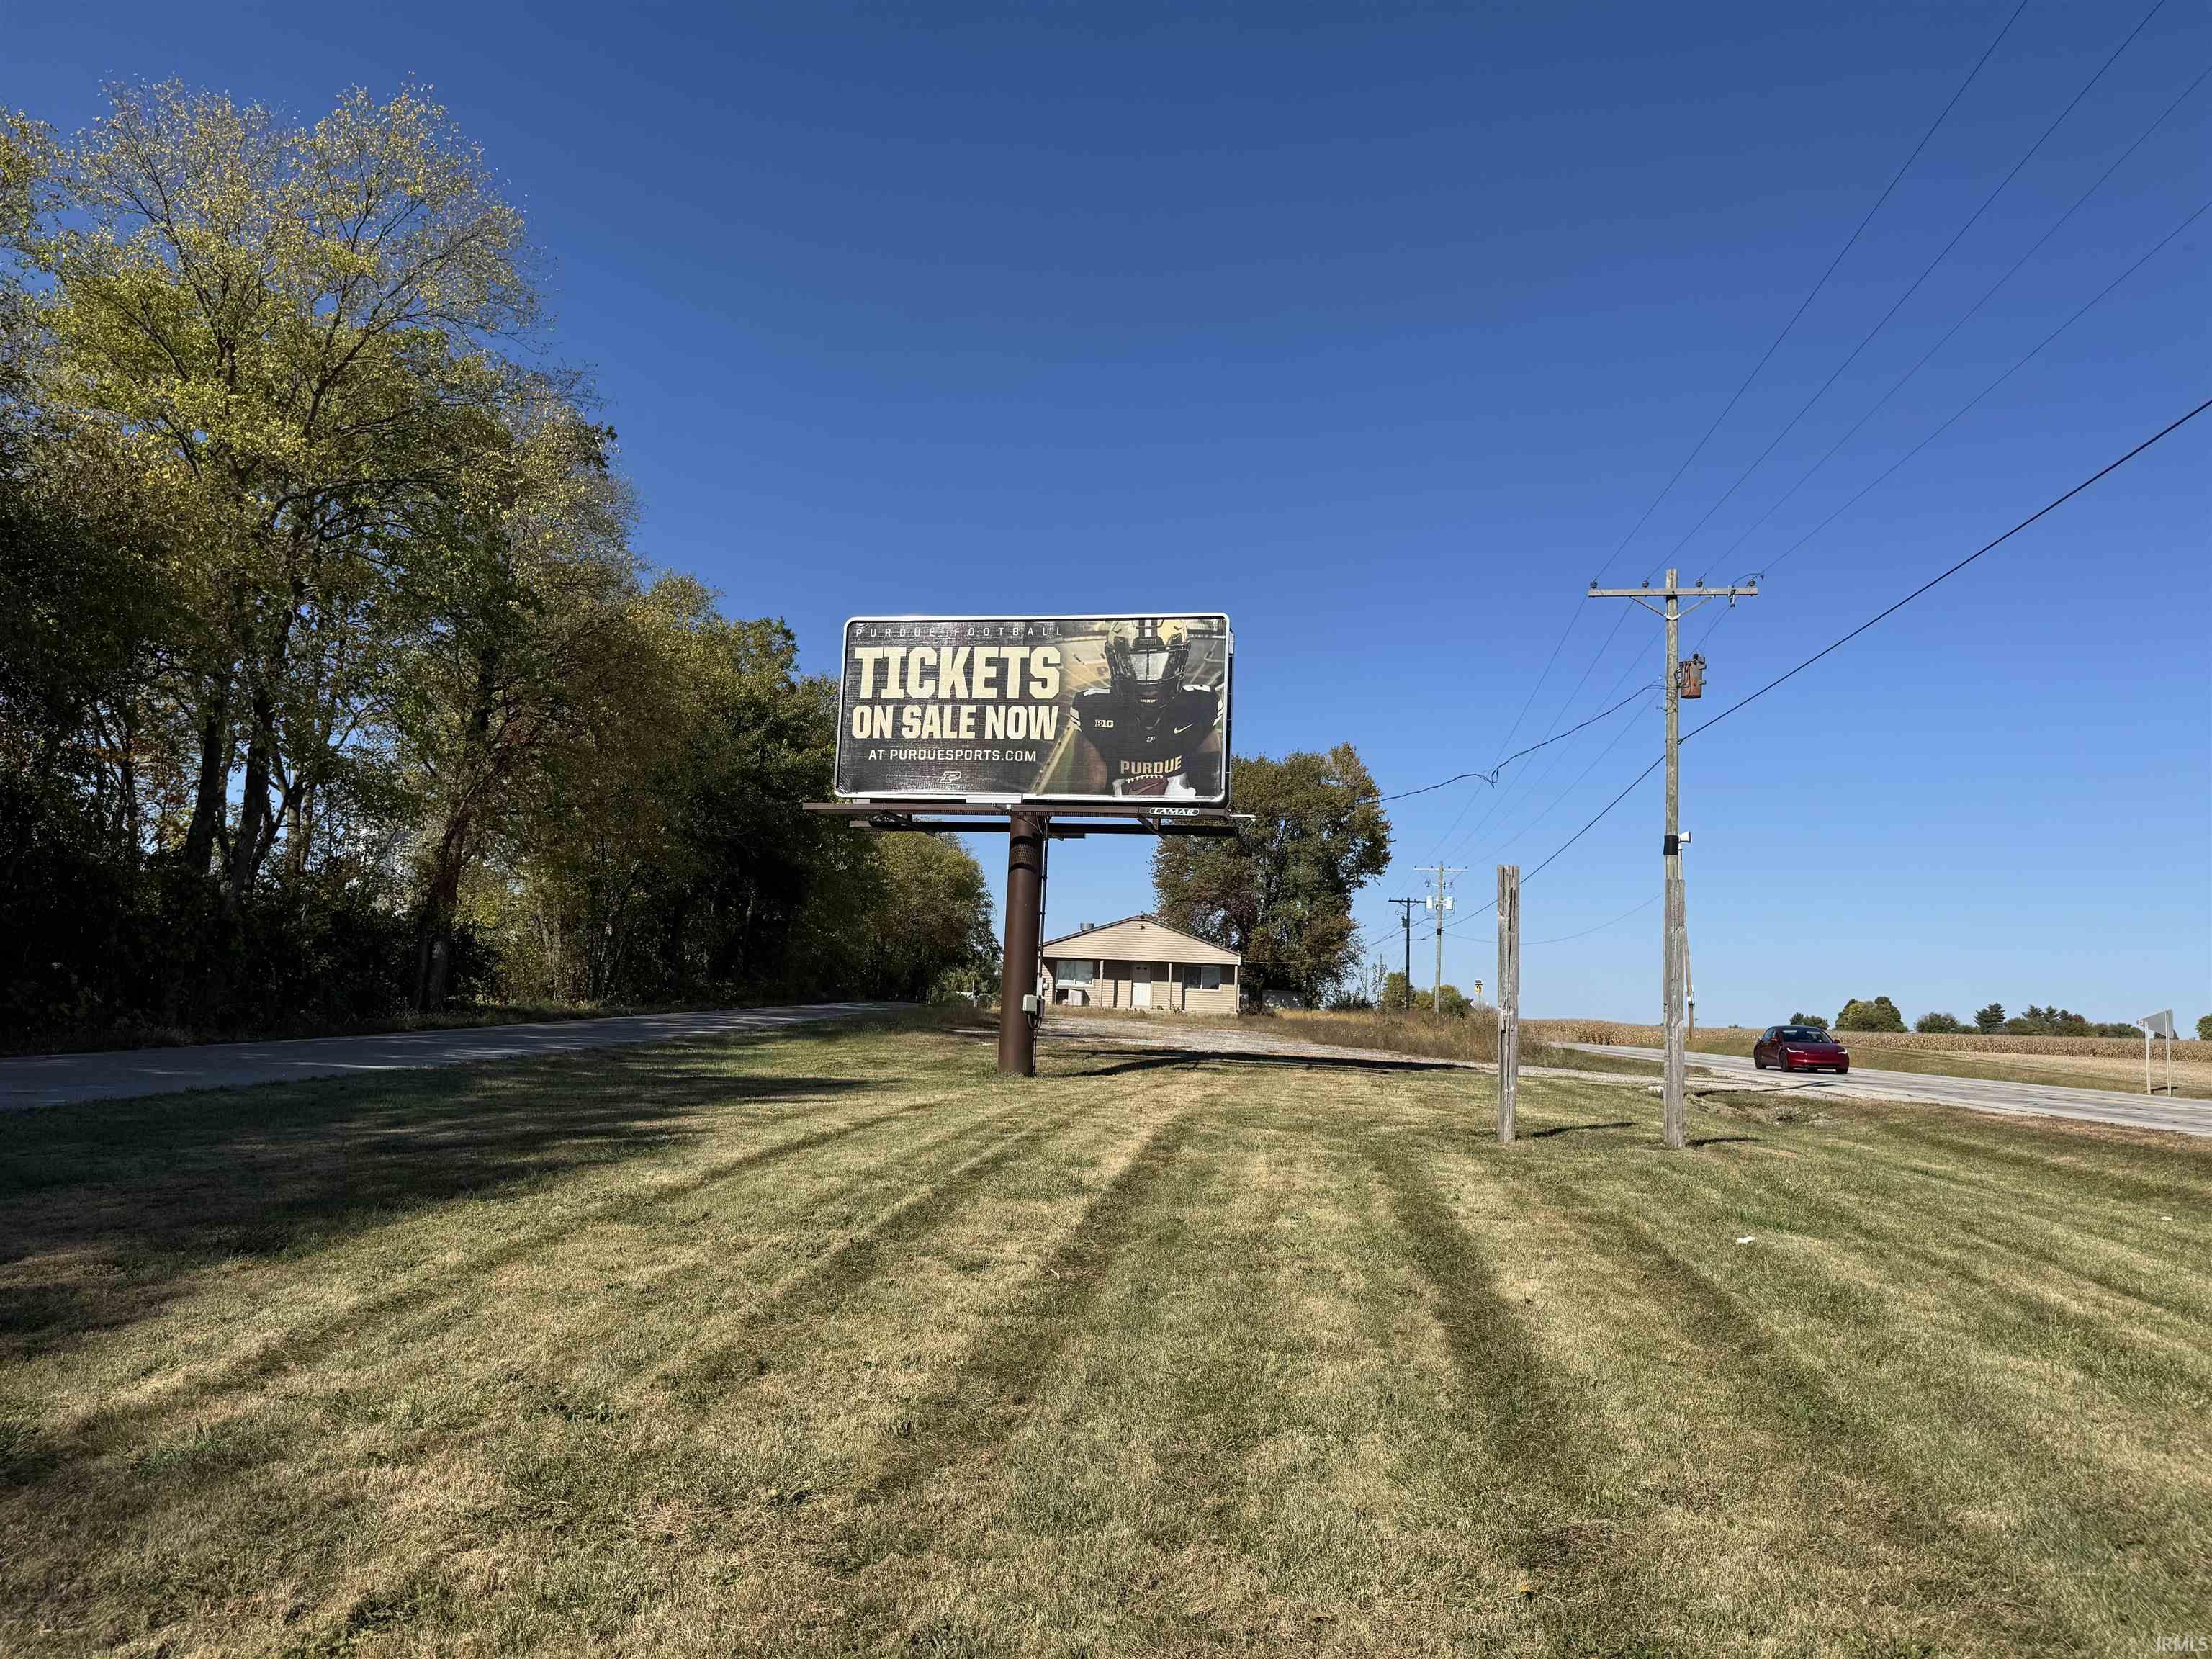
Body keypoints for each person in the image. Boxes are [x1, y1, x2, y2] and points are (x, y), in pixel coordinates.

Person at [1062, 619, 1224, 799]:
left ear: (1178, 659)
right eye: (1136, 662)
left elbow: (1209, 790)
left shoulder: (1201, 705)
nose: (1148, 676)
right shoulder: (1092, 708)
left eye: (1158, 661)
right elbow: (1087, 791)